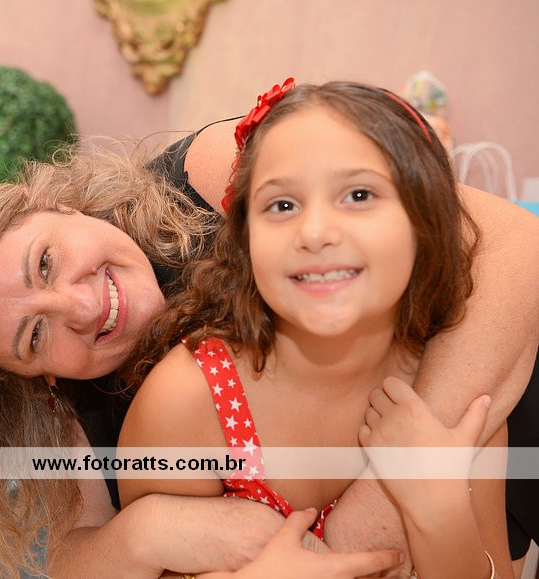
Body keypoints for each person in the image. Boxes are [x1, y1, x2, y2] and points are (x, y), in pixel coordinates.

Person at [0, 86, 539, 577]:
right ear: (29, 378)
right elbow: (72, 554)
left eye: (46, 261)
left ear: (52, 203)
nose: (80, 306)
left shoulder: (220, 174)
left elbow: (515, 246)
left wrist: (378, 512)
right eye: (33, 336)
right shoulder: (134, 406)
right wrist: (146, 532)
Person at [118, 79, 510, 577]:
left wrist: (441, 512)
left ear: (425, 219)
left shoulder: (455, 385)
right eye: (282, 205)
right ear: (246, 238)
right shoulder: (188, 404)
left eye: (359, 194)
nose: (316, 232)